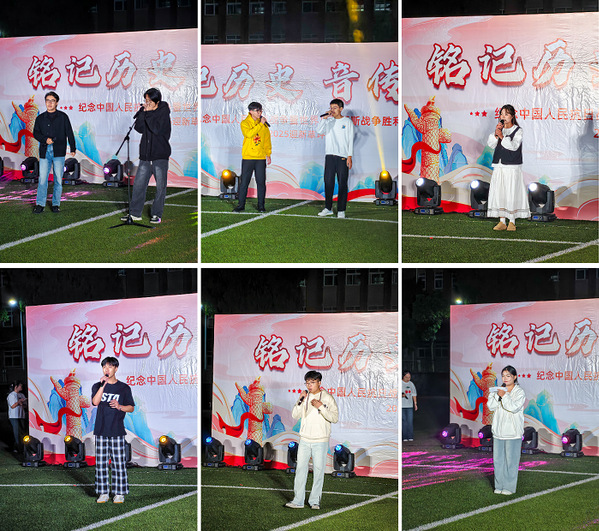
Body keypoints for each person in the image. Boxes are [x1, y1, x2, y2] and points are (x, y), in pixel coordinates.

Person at [285, 371, 338, 510]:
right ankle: (298, 501)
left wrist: (321, 407)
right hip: (304, 439)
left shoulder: (327, 398)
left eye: (312, 382)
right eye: (307, 383)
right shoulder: (305, 396)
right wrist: (300, 400)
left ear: (319, 382)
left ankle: (314, 501)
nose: (309, 385)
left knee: (318, 471)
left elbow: (334, 418)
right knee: (300, 470)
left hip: (320, 440)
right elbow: (295, 414)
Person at [123, 87, 171, 224]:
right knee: (139, 185)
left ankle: (156, 214)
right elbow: (139, 128)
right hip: (145, 156)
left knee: (160, 187)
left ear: (157, 102)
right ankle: (135, 213)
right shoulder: (146, 111)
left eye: (150, 101)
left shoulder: (163, 112)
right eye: (146, 100)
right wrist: (143, 113)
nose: (147, 103)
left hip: (159, 155)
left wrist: (149, 113)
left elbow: (156, 129)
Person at [91, 356, 135, 504]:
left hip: (117, 430)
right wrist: (102, 386)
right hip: (101, 430)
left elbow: (131, 407)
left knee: (118, 463)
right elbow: (95, 402)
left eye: (110, 367)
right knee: (101, 464)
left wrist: (119, 406)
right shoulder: (97, 386)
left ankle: (119, 493)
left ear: (116, 368)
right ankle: (103, 493)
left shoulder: (124, 388)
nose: (107, 369)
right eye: (104, 367)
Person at [487, 104, 529, 232]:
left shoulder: (518, 130)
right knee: (499, 192)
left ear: (512, 116)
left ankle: (512, 221)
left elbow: (513, 146)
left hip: (512, 167)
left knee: (511, 192)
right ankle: (502, 221)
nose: (503, 117)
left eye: (506, 114)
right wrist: (496, 134)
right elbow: (491, 144)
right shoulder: (499, 130)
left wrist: (501, 136)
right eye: (501, 114)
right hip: (499, 166)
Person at [32, 91, 76, 214]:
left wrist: (73, 148)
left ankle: (56, 204)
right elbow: (35, 133)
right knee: (42, 179)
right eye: (47, 100)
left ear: (56, 103)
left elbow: (69, 132)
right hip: (44, 151)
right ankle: (40, 204)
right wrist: (44, 139)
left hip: (59, 151)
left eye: (52, 100)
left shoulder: (63, 117)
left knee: (58, 179)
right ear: (45, 102)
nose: (49, 103)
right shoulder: (40, 118)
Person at [487, 365, 526, 495]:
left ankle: (509, 487)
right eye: (503, 376)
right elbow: (491, 406)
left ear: (514, 377)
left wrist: (504, 396)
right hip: (498, 432)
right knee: (498, 461)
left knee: (511, 462)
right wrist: (497, 395)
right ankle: (499, 485)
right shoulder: (497, 390)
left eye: (508, 376)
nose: (505, 378)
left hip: (512, 433)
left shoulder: (519, 392)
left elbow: (513, 408)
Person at [316, 99, 355, 219]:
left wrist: (349, 156)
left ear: (341, 109)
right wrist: (324, 119)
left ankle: (341, 210)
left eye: (335, 108)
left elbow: (350, 140)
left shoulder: (347, 122)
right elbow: (319, 131)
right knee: (328, 182)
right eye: (331, 108)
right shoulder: (329, 121)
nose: (332, 110)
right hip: (329, 156)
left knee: (342, 183)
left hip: (342, 157)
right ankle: (328, 208)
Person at [234, 102, 271, 213]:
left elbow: (267, 140)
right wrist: (260, 124)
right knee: (244, 182)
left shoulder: (264, 125)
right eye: (257, 111)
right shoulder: (245, 123)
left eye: (260, 111)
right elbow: (249, 134)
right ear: (251, 111)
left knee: (261, 182)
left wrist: (268, 154)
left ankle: (261, 206)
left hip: (260, 158)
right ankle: (241, 205)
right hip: (248, 157)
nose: (259, 113)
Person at [7, 381, 27, 453]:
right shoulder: (11, 395)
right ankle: (18, 448)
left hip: (21, 415)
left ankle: (20, 447)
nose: (21, 387)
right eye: (20, 386)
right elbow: (12, 406)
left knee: (22, 432)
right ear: (16, 387)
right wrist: (19, 402)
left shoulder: (22, 395)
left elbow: (25, 406)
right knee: (17, 432)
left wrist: (22, 403)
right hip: (14, 416)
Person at [402, 370, 417, 441]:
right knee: (404, 421)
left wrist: (415, 404)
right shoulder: (399, 383)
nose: (408, 379)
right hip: (402, 406)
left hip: (409, 406)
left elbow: (414, 394)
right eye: (406, 377)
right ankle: (404, 437)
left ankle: (410, 436)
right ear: (403, 376)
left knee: (410, 421)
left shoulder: (411, 384)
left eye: (409, 377)